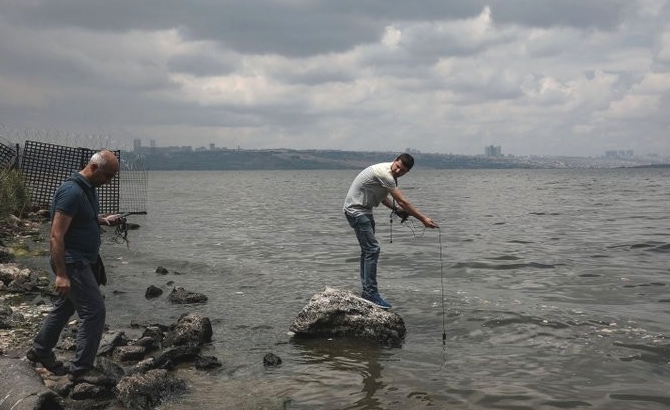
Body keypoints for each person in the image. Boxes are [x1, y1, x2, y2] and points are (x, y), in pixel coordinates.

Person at [26, 150, 126, 385]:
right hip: (72, 262)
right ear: (93, 168)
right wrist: (61, 274)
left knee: (64, 307)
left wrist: (103, 219)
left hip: (84, 259)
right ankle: (81, 369)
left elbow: (83, 218)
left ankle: (40, 350)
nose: (109, 181)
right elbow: (56, 235)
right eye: (108, 176)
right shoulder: (71, 192)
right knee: (94, 312)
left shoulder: (87, 190)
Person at [343, 153, 438, 309]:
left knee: (367, 251)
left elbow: (380, 196)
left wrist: (395, 209)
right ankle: (370, 294)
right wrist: (423, 219)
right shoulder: (385, 173)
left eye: (402, 171)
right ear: (395, 161)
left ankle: (367, 291)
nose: (398, 171)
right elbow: (403, 201)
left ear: (407, 173)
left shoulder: (388, 175)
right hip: (356, 211)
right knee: (372, 250)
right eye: (398, 167)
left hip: (364, 210)